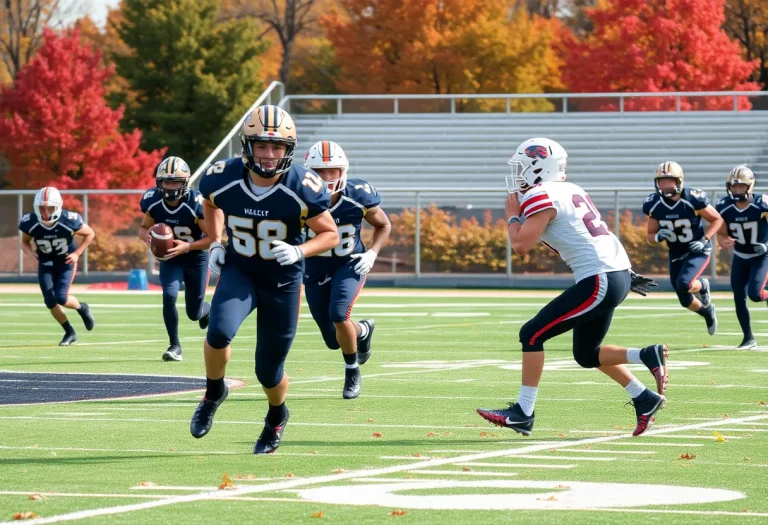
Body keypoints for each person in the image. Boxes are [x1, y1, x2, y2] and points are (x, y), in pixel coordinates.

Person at [477, 138, 666, 437]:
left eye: (523, 167)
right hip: (612, 272)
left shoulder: (540, 194)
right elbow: (592, 235)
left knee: (531, 333)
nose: (518, 175)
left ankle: (523, 412)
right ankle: (644, 390)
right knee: (586, 354)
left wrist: (512, 215)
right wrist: (626, 273)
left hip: (600, 277)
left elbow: (521, 245)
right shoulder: (571, 189)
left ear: (540, 167)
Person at [190, 105, 339, 454]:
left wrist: (301, 252)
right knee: (218, 332)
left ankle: (276, 415)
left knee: (268, 370)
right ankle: (214, 391)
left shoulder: (303, 186)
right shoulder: (222, 176)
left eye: (277, 148)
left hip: (284, 281)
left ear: (289, 150)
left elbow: (329, 234)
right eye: (261, 146)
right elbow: (210, 205)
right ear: (247, 145)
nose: (269, 155)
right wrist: (216, 242)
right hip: (240, 270)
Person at [302, 140, 391, 399]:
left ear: (344, 170)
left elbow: (383, 225)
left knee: (339, 314)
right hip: (315, 266)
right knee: (332, 339)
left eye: (334, 170)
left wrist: (372, 253)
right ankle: (363, 330)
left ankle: (352, 372)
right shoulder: (299, 197)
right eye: (320, 171)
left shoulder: (357, 195)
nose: (328, 177)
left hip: (349, 262)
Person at [138, 156, 212, 361]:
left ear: (185, 182)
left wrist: (187, 246)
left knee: (193, 313)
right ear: (159, 183)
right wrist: (149, 238)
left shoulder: (195, 203)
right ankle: (174, 345)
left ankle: (207, 310)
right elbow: (143, 228)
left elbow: (213, 238)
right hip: (170, 257)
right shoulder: (153, 201)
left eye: (176, 182)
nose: (171, 187)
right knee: (169, 296)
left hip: (196, 257)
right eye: (167, 182)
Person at [643, 161, 724, 335]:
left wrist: (705, 239)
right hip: (676, 252)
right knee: (684, 299)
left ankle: (702, 285)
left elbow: (717, 219)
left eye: (669, 181)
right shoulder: (654, 204)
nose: (665, 185)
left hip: (697, 250)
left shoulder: (693, 198)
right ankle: (707, 312)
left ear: (679, 181)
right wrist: (658, 236)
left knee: (684, 284)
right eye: (662, 181)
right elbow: (650, 236)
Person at [19, 186, 96, 346]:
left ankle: (82, 307)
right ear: (36, 207)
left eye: (50, 208)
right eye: (42, 208)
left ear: (58, 206)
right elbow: (25, 241)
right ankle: (69, 332)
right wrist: (31, 254)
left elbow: (90, 233)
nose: (46, 212)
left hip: (65, 263)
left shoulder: (69, 219)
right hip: (45, 263)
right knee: (49, 301)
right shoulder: (31, 221)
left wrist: (77, 253)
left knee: (61, 297)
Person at [715, 166, 768, 349]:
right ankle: (748, 337)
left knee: (755, 294)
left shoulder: (762, 203)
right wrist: (722, 240)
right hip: (740, 256)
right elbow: (721, 233)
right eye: (734, 187)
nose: (737, 190)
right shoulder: (724, 206)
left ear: (750, 186)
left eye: (741, 187)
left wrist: (766, 245)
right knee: (738, 297)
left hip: (762, 256)